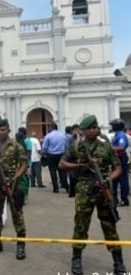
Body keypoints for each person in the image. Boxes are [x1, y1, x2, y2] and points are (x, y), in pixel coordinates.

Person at [59, 115, 127, 275]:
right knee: (81, 225)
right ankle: (76, 260)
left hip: (104, 191)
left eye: (96, 126)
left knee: (109, 226)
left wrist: (108, 179)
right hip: (84, 191)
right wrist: (79, 166)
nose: (94, 129)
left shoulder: (105, 145)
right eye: (90, 128)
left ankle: (118, 263)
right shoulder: (77, 147)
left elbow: (118, 167)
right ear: (83, 130)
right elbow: (62, 163)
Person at [0, 119, 28, 259]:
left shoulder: (16, 146)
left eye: (4, 129)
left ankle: (21, 246)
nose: (1, 132)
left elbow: (24, 164)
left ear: (9, 130)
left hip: (13, 183)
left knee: (17, 213)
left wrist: (16, 177)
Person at [42, 122, 68, 193]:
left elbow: (44, 148)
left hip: (51, 155)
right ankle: (66, 186)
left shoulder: (48, 136)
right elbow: (66, 146)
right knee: (63, 171)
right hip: (61, 154)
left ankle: (56, 188)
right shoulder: (62, 135)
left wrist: (43, 154)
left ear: (51, 128)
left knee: (53, 171)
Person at [109, 119, 130, 206]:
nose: (112, 127)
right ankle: (115, 200)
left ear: (117, 126)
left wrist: (109, 149)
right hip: (117, 158)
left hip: (120, 158)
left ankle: (124, 199)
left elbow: (121, 147)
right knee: (115, 180)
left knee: (122, 179)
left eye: (113, 125)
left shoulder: (121, 135)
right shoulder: (117, 134)